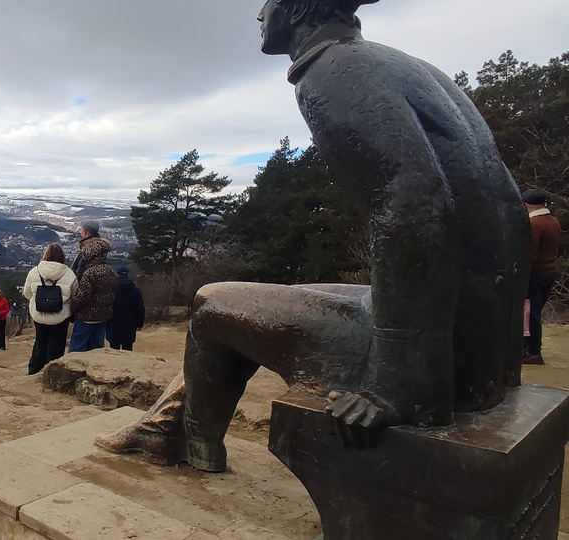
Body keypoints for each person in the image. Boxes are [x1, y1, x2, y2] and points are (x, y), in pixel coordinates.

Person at [95, 0, 530, 472]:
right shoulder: (414, 68)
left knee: (211, 303)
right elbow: (510, 209)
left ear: (300, 7)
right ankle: (161, 425)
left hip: (437, 367)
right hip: (476, 351)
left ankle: (189, 449)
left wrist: (399, 382)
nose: (259, 15)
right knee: (292, 295)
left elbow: (411, 201)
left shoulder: (332, 71)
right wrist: (500, 365)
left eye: (267, 2)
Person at [23, 243, 78, 374]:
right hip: (60, 315)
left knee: (40, 343)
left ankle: (34, 370)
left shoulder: (34, 271)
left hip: (39, 313)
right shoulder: (70, 274)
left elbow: (27, 293)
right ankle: (52, 373)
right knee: (57, 346)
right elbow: (75, 295)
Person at [522, 189, 561, 365]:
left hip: (535, 274)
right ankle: (529, 347)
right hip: (549, 272)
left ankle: (533, 351)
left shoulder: (535, 224)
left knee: (530, 313)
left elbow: (531, 253)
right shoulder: (553, 221)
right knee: (534, 312)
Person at [68, 234, 117, 352]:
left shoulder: (89, 273)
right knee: (97, 348)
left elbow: (82, 296)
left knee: (78, 347)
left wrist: (72, 308)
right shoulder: (110, 270)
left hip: (87, 316)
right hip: (104, 315)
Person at [106, 267, 145, 351]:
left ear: (117, 275)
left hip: (113, 324)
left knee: (113, 350)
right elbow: (140, 308)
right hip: (130, 324)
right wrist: (139, 324)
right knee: (128, 349)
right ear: (127, 275)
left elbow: (107, 305)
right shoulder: (136, 290)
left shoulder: (112, 289)